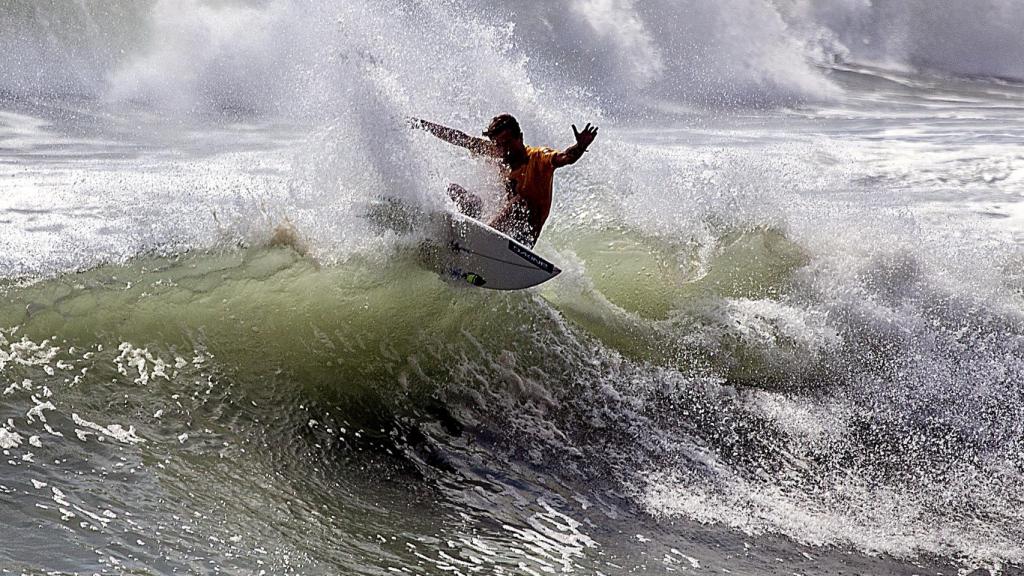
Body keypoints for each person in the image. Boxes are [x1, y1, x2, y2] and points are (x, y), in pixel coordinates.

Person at [408, 114, 597, 247]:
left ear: (520, 138)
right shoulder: (497, 153)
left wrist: (580, 147)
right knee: (456, 192)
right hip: (498, 231)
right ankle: (443, 234)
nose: (503, 150)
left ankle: (477, 242)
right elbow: (461, 139)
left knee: (519, 204)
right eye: (498, 145)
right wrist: (422, 124)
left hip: (523, 239)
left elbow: (565, 157)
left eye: (507, 144)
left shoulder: (539, 157)